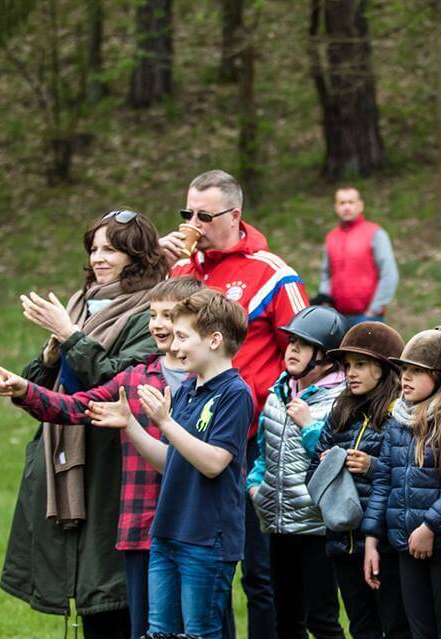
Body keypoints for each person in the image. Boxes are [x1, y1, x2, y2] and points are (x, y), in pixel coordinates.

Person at [0, 276, 202, 639]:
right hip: (142, 531)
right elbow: (74, 407)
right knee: (147, 630)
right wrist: (26, 390)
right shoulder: (136, 378)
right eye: (153, 315)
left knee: (202, 627)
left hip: (199, 531)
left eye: (170, 315)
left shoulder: (216, 384)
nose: (158, 324)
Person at [0, 209, 168, 639]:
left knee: (110, 582)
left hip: (115, 459)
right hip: (64, 451)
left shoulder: (152, 309)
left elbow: (119, 383)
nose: (98, 257)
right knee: (85, 580)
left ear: (137, 254)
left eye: (110, 248)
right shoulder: (81, 303)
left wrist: (71, 335)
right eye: (94, 247)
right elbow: (53, 384)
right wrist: (37, 369)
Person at [160, 169, 309, 639]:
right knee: (202, 562)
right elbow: (159, 331)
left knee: (257, 570)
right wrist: (157, 268)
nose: (195, 224)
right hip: (190, 432)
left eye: (206, 215)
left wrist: (286, 415)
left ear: (235, 215)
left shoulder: (270, 272)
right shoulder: (180, 269)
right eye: (188, 214)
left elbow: (305, 349)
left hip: (251, 439)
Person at [97, 289, 253, 639]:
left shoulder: (235, 393)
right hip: (167, 531)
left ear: (214, 340)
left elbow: (214, 463)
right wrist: (131, 425)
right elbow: (171, 462)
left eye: (183, 336)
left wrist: (166, 422)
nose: (175, 346)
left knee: (200, 633)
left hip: (206, 539)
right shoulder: (186, 390)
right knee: (158, 632)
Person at [246, 306, 349, 639]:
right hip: (280, 522)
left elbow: (338, 458)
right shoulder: (277, 393)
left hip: (318, 527)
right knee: (286, 618)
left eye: (302, 345)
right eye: (290, 342)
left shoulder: (341, 400)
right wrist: (255, 486)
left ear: (327, 356)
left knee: (322, 619)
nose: (291, 350)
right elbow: (264, 450)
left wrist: (309, 425)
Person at [361, 327, 441, 639]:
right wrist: (371, 538)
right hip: (405, 544)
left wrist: (430, 527)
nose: (404, 378)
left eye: (416, 371)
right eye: (403, 370)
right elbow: (384, 481)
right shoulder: (397, 422)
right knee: (419, 632)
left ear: (440, 376)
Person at [308, 322, 411, 639]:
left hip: (385, 545)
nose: (351, 373)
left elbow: (413, 477)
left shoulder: (401, 415)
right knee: (361, 627)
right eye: (348, 365)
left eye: (361, 365)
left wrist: (371, 466)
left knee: (395, 627)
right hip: (341, 543)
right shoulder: (339, 412)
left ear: (383, 369)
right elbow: (312, 473)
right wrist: (328, 468)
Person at [320, 187, 399, 326]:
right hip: (337, 317)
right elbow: (326, 274)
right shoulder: (331, 237)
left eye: (351, 202)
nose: (346, 207)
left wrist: (374, 309)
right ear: (336, 207)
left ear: (360, 205)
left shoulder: (375, 233)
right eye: (342, 203)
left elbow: (389, 273)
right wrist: (325, 300)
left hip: (368, 316)